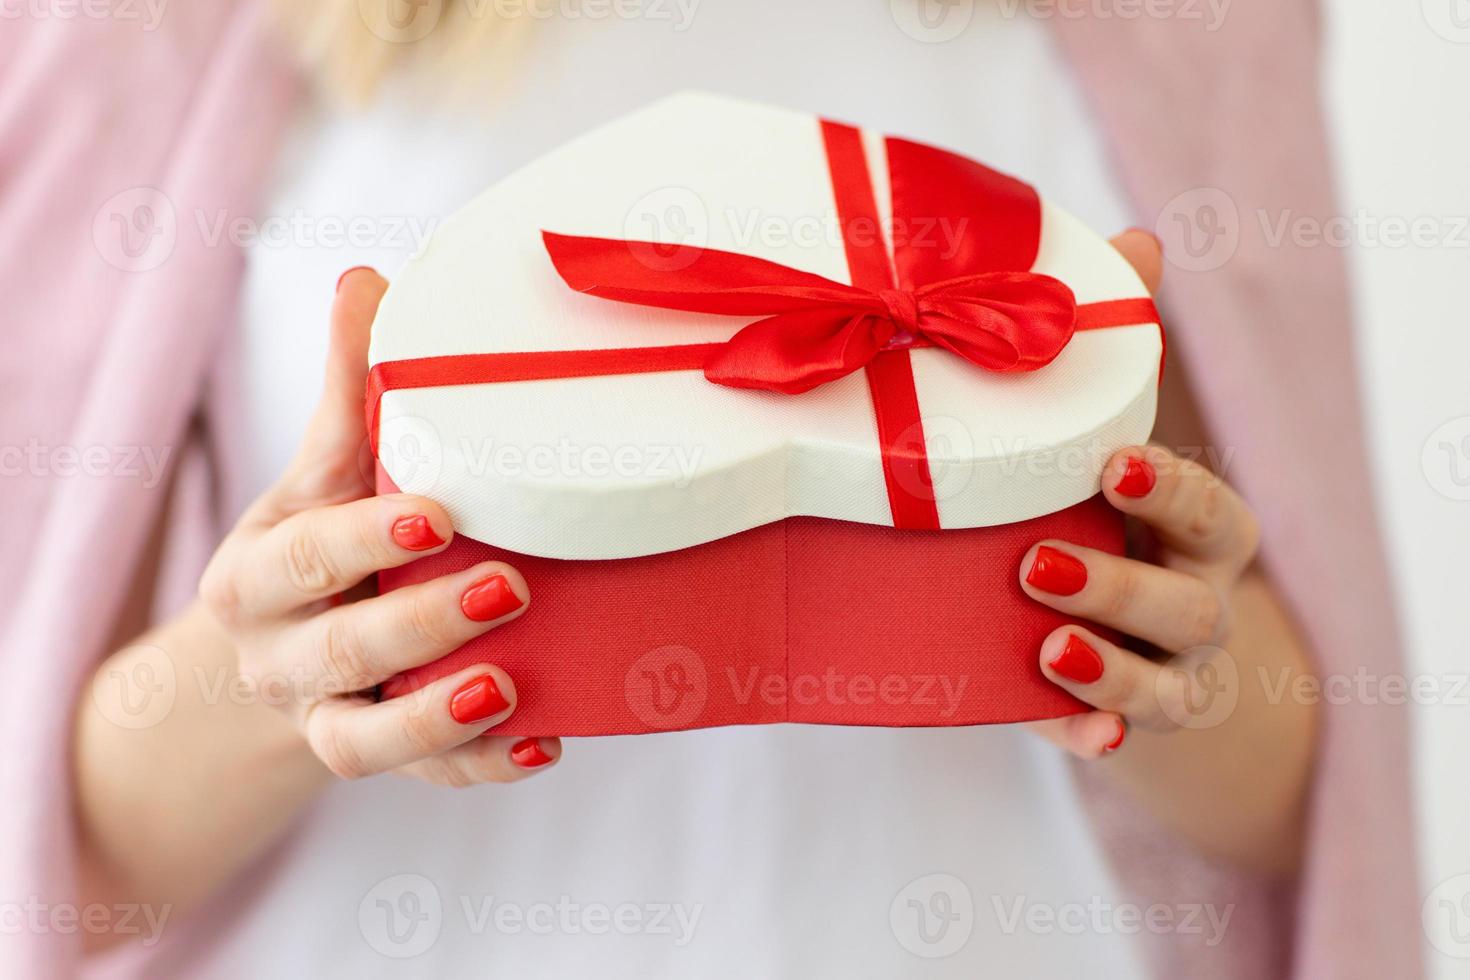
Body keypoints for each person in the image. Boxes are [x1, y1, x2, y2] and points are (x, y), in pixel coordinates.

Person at [2, 1, 1417, 977]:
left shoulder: (1181, 33)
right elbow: (61, 856)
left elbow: (1315, 810)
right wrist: (280, 673)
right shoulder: (142, 34)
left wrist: (1158, 660)